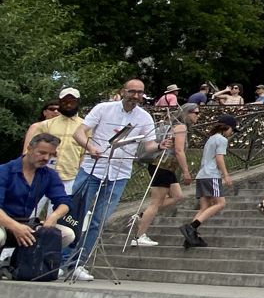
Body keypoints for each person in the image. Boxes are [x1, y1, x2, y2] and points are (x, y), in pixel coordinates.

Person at [65, 79, 156, 281]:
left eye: (140, 92)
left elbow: (149, 146)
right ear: (123, 91)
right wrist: (90, 148)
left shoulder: (144, 117)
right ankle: (60, 260)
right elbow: (78, 133)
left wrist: (161, 145)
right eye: (132, 91)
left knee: (99, 220)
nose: (136, 96)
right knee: (74, 214)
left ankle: (78, 263)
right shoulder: (104, 108)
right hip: (92, 169)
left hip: (119, 173)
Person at [0, 134, 76, 265]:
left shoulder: (49, 175)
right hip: (4, 224)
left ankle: (22, 265)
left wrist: (53, 218)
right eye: (42, 153)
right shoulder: (4, 171)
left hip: (25, 225)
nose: (46, 158)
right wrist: (16, 227)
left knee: (67, 234)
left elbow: (64, 202)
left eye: (51, 154)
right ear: (29, 149)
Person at [130, 103, 198, 247]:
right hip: (163, 165)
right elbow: (179, 151)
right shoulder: (181, 127)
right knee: (156, 202)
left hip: (165, 166)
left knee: (177, 195)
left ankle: (141, 216)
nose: (197, 116)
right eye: (195, 113)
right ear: (187, 113)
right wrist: (186, 171)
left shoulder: (172, 125)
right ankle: (139, 236)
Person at [181, 115, 237, 248]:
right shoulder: (222, 139)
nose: (232, 133)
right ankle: (191, 227)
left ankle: (190, 236)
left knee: (205, 207)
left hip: (202, 175)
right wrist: (226, 175)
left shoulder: (211, 138)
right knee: (220, 203)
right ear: (226, 127)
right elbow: (219, 158)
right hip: (212, 175)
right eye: (232, 130)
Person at [28, 88, 86, 201]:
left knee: (59, 215)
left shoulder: (85, 126)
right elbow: (31, 148)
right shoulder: (46, 125)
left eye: (72, 101)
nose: (68, 105)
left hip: (69, 178)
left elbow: (85, 153)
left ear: (78, 102)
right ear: (60, 102)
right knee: (29, 212)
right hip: (42, 175)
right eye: (64, 101)